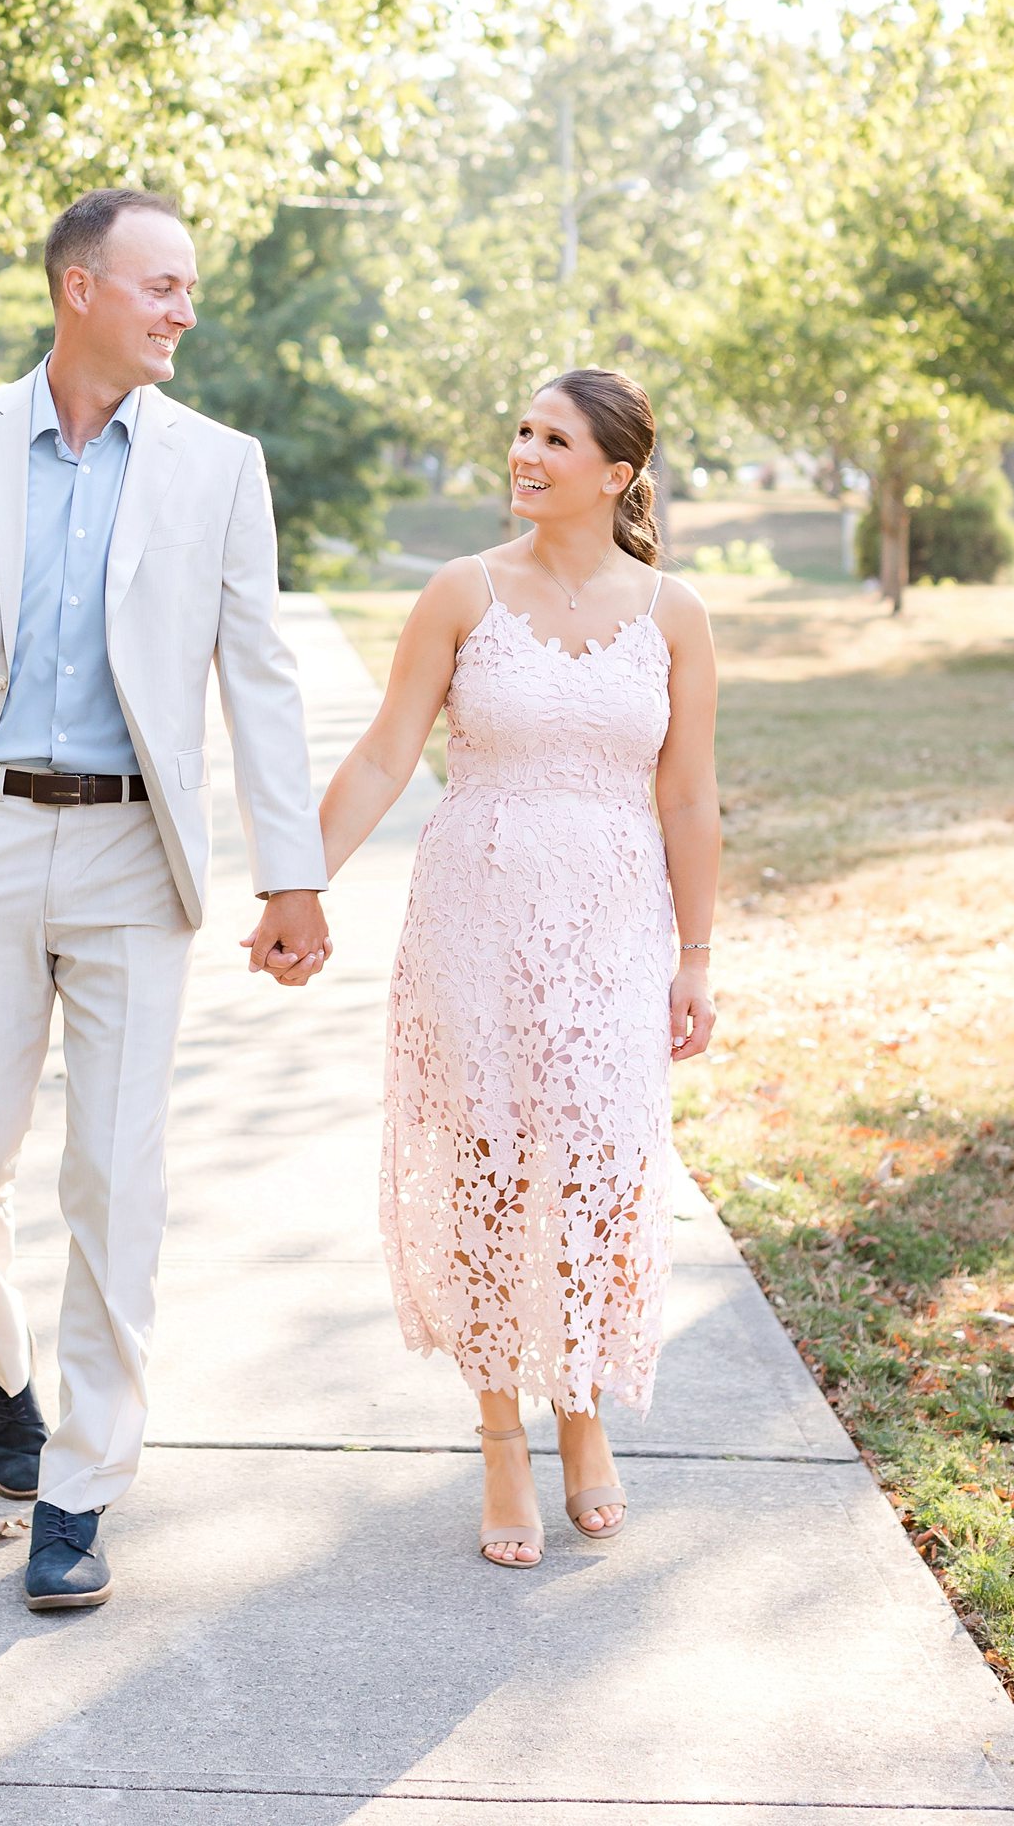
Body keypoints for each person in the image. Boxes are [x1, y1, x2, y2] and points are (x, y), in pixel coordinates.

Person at [0, 187, 330, 1612]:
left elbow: (257, 672)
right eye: (163, 285)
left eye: (188, 287)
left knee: (117, 1175)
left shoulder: (221, 464)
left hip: (136, 856)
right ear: (81, 287)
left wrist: (291, 868)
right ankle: (1, 1369)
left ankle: (82, 1484)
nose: (186, 309)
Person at [316, 368, 718, 1567]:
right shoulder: (460, 593)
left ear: (617, 474)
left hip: (613, 927)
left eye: (555, 439)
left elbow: (687, 795)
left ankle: (582, 1418)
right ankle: (501, 1439)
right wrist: (297, 881)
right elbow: (388, 752)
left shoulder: (672, 612)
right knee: (491, 1173)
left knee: (595, 1169)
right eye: (522, 431)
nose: (525, 453)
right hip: (473, 916)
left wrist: (696, 957)